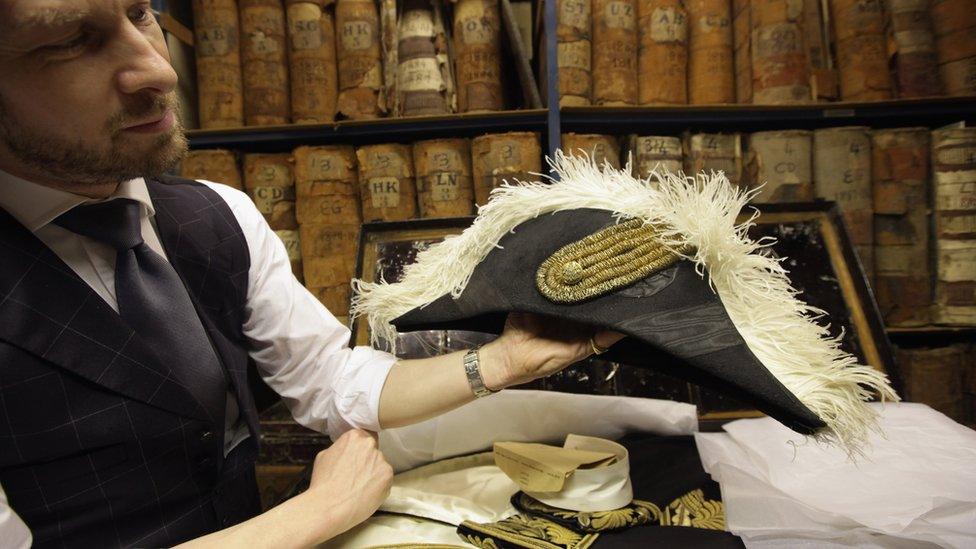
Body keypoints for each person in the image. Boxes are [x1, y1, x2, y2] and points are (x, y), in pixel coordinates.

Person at [0, 1, 621, 547]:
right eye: (68, 40)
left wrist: (505, 362)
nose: (158, 70)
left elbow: (330, 383)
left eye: (140, 14)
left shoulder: (219, 216)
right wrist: (316, 513)